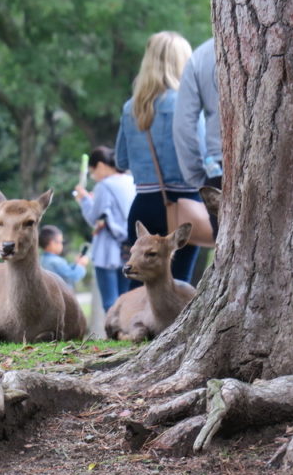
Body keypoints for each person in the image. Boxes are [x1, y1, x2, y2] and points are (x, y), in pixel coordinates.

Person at [114, 31, 201, 286]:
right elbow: (202, 156)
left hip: (143, 204)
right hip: (184, 205)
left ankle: (129, 326)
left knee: (137, 283)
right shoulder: (187, 103)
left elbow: (121, 161)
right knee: (179, 283)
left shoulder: (132, 107)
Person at [74, 146, 136, 311]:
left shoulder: (104, 186)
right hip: (128, 248)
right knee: (125, 299)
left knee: (110, 303)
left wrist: (84, 200)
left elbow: (94, 217)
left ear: (100, 165)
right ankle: (126, 334)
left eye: (92, 172)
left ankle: (115, 334)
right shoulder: (131, 180)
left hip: (107, 250)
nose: (94, 177)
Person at [173, 37, 222, 237]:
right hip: (284, 162)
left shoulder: (201, 56)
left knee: (230, 250)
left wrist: (197, 177)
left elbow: (183, 124)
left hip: (222, 170)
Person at [39, 225, 88, 291]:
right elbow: (72, 277)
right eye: (61, 242)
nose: (62, 245)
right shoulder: (56, 261)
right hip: (62, 297)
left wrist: (76, 264)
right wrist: (81, 265)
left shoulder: (42, 260)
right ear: (52, 243)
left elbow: (64, 272)